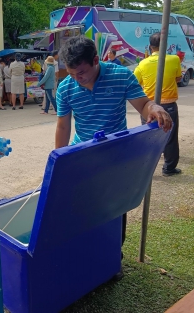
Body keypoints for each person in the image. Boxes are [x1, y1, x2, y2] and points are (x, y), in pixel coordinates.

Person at [55, 36, 172, 279]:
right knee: (82, 207)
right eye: (72, 72)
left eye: (82, 72)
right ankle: (86, 252)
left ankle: (112, 257)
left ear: (96, 60)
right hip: (83, 156)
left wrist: (156, 109)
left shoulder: (121, 76)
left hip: (115, 157)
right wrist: (59, 159)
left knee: (115, 209)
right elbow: (63, 127)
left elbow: (144, 106)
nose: (78, 78)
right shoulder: (66, 87)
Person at [134, 32, 182, 176]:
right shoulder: (174, 59)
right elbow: (178, 78)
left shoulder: (143, 63)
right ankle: (169, 168)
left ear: (150, 47)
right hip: (168, 105)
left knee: (148, 138)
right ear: (165, 46)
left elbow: (136, 83)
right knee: (170, 138)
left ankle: (146, 169)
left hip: (148, 107)